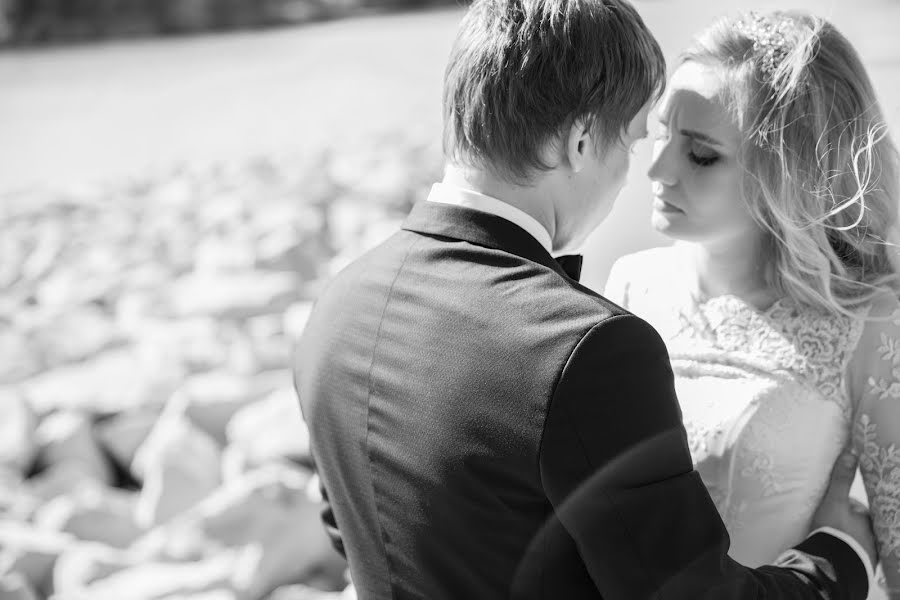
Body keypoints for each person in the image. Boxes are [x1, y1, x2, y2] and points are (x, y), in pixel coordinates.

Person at [294, 1, 876, 598]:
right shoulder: (584, 346)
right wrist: (840, 555)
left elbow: (347, 530)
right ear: (578, 142)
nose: (644, 173)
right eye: (632, 143)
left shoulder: (337, 305)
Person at [604, 10, 900, 599]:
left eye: (702, 155)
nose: (659, 171)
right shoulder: (629, 285)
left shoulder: (869, 324)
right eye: (662, 134)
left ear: (787, 171)